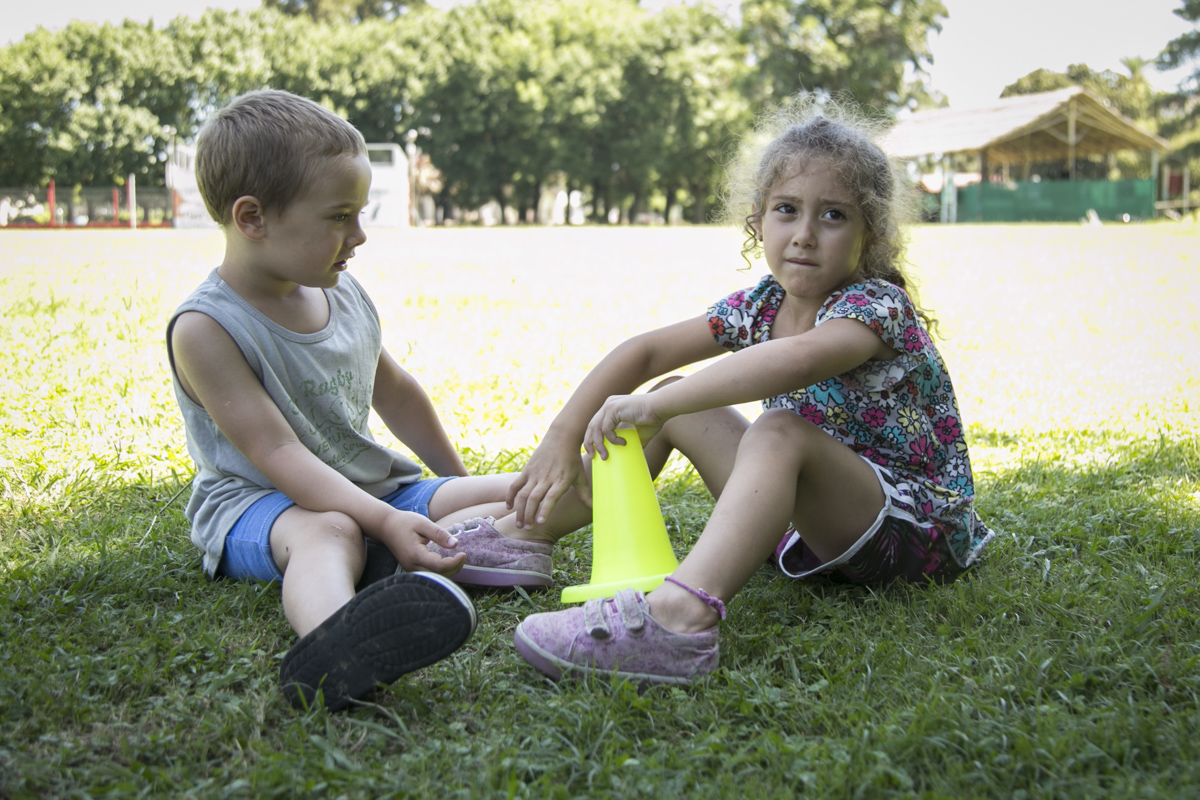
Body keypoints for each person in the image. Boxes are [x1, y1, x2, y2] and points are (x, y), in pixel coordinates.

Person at [506, 95, 995, 685]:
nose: (805, 235)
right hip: (811, 530)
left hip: (912, 533)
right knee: (678, 401)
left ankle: (679, 621)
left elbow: (797, 360)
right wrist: (563, 435)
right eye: (787, 209)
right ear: (757, 220)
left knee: (777, 429)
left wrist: (654, 402)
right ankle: (524, 536)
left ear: (871, 233)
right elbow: (647, 352)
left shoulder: (876, 307)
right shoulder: (763, 303)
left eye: (834, 215)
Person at [167, 89, 586, 711]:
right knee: (332, 530)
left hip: (376, 490)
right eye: (339, 216)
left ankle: (431, 548)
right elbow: (278, 453)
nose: (359, 235)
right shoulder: (206, 328)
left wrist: (454, 486)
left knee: (532, 489)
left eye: (360, 214)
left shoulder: (342, 292)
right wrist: (382, 521)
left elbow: (398, 393)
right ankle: (337, 645)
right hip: (264, 506)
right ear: (252, 218)